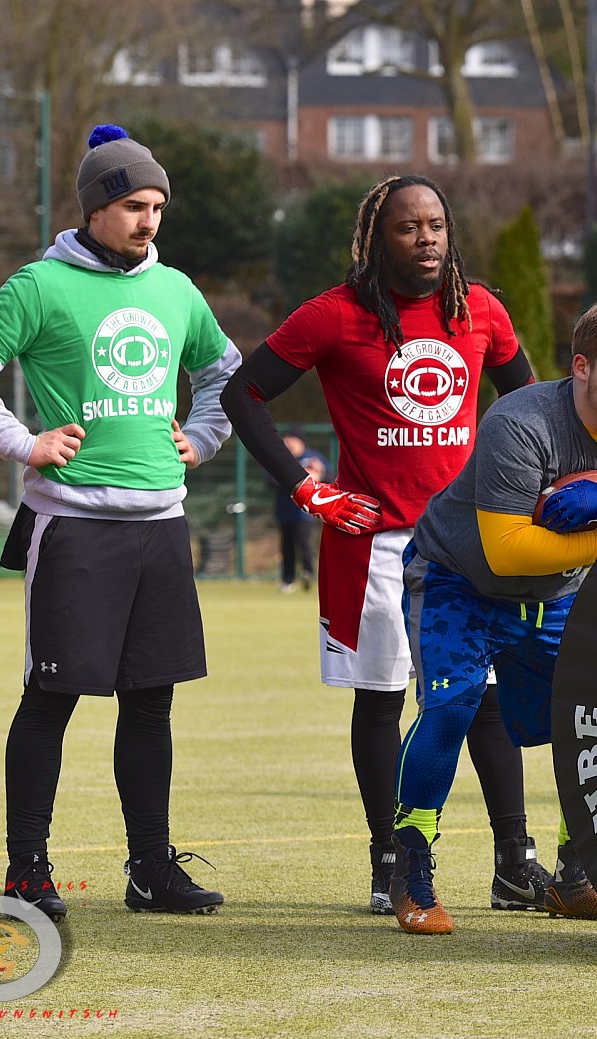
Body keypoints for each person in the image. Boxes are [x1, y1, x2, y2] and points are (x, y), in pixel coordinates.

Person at [220, 174, 549, 918]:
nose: (426, 238)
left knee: (486, 702)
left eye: (436, 223)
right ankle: (390, 861)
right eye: (408, 227)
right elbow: (242, 393)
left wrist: (525, 492)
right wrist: (307, 488)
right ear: (376, 239)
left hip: (471, 548)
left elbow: (532, 405)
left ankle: (513, 864)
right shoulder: (335, 316)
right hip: (378, 548)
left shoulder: (481, 310)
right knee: (381, 703)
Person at [0, 124, 239, 920]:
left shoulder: (176, 289)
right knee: (52, 699)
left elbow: (224, 373)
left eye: (157, 207)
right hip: (72, 525)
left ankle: (150, 870)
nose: (149, 221)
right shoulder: (40, 285)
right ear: (98, 206)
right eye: (135, 205)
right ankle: (27, 870)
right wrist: (20, 442)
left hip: (162, 523)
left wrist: (203, 435)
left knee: (152, 701)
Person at [391, 288, 597, 935]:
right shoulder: (521, 419)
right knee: (450, 706)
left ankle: (578, 874)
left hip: (558, 595)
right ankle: (410, 868)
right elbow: (506, 553)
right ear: (581, 367)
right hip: (457, 580)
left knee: (593, 716)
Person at [269, 431, 325, 593]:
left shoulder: (313, 457)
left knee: (304, 543)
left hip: (305, 512)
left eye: (292, 439)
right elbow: (270, 481)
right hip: (284, 511)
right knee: (287, 547)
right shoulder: (281, 459)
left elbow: (328, 475)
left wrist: (318, 474)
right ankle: (288, 580)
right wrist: (297, 479)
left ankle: (308, 574)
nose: (288, 443)